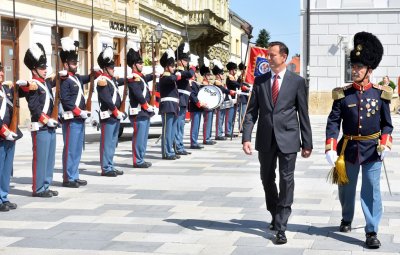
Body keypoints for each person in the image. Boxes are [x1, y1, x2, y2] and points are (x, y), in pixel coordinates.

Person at [325, 31, 392, 249]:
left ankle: (371, 230)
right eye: (353, 67)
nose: (354, 71)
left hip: (373, 148)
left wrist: (386, 142)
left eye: (359, 68)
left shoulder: (381, 94)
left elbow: (387, 124)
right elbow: (333, 122)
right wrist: (330, 147)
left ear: (369, 71)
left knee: (371, 189)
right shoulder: (342, 94)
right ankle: (346, 217)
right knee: (346, 187)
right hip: (349, 148)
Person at [242, 41, 313, 245]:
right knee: (266, 178)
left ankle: (281, 225)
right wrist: (246, 137)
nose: (269, 58)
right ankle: (274, 212)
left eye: (272, 55)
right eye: (268, 55)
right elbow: (251, 112)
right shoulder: (260, 81)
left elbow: (303, 113)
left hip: (289, 138)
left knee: (286, 179)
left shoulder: (297, 82)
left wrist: (307, 142)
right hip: (265, 138)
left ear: (284, 57)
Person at [23, 43, 59, 197]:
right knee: (40, 159)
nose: (45, 70)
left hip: (49, 126)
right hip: (40, 126)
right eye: (42, 68)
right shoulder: (33, 85)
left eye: (45, 67)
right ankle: (38, 188)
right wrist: (46, 120)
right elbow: (34, 108)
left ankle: (46, 185)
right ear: (34, 69)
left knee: (49, 159)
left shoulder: (45, 83)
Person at [59, 37, 90, 188]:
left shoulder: (76, 77)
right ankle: (68, 178)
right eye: (73, 63)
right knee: (70, 149)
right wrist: (79, 111)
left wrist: (94, 73)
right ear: (65, 64)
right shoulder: (64, 79)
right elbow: (66, 100)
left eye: (76, 63)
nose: (75, 65)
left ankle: (74, 174)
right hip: (71, 119)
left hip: (79, 119)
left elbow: (88, 78)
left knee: (77, 149)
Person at [96, 46, 124, 177]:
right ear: (105, 68)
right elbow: (106, 98)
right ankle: (106, 168)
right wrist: (115, 110)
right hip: (108, 115)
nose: (114, 69)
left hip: (114, 115)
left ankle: (110, 164)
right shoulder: (102, 81)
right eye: (112, 67)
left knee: (113, 143)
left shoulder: (112, 80)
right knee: (107, 143)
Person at [126, 42, 155, 168]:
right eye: (139, 63)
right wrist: (145, 105)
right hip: (138, 111)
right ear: (133, 65)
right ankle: (137, 160)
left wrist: (154, 74)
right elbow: (138, 93)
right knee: (139, 137)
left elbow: (145, 78)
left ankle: (141, 158)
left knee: (143, 137)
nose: (142, 65)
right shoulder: (132, 77)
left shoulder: (140, 76)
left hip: (144, 112)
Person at [0, 62, 22, 211]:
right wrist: (4, 131)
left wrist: (24, 85)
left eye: (1, 70)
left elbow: (24, 94)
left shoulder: (5, 89)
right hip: (2, 134)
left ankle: (4, 196)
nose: (2, 73)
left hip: (10, 134)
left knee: (6, 170)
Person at [159, 48, 181, 160]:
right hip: (167, 106)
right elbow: (171, 79)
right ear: (167, 67)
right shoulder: (164, 77)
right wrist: (177, 76)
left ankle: (170, 150)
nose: (174, 68)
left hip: (173, 106)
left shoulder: (170, 77)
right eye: (172, 66)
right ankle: (166, 152)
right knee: (167, 131)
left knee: (172, 131)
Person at [174, 42, 195, 155]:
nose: (187, 62)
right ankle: (177, 145)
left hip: (183, 101)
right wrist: (192, 68)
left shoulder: (183, 71)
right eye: (185, 60)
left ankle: (180, 145)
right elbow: (189, 74)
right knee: (178, 125)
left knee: (181, 125)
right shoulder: (178, 71)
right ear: (180, 60)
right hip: (179, 100)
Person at [213, 59, 235, 141]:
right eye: (222, 73)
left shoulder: (220, 82)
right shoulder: (217, 82)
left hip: (222, 102)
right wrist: (230, 91)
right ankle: (218, 134)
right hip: (219, 102)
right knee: (220, 118)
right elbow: (223, 90)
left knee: (221, 118)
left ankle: (220, 133)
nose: (223, 75)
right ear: (218, 75)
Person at [188, 54, 206, 149]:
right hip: (194, 106)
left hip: (198, 106)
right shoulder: (190, 81)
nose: (196, 73)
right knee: (194, 125)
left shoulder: (195, 81)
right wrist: (198, 103)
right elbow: (192, 94)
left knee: (197, 124)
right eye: (195, 71)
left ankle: (195, 141)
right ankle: (193, 142)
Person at [201, 57, 216, 145]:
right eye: (208, 75)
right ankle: (206, 138)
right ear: (205, 75)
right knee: (207, 122)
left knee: (209, 122)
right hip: (206, 104)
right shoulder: (204, 83)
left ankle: (208, 137)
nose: (210, 76)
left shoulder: (208, 83)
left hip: (210, 104)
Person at [225, 60, 241, 138]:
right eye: (234, 70)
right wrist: (241, 84)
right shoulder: (229, 78)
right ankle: (228, 131)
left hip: (235, 98)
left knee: (233, 116)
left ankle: (230, 130)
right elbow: (236, 84)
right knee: (229, 116)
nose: (235, 71)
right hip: (230, 98)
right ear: (231, 70)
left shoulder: (234, 78)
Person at [237, 62, 250, 132]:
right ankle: (241, 127)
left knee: (246, 113)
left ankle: (244, 126)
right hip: (242, 97)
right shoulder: (240, 77)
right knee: (242, 113)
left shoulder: (247, 77)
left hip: (248, 97)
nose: (244, 71)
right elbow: (238, 86)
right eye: (243, 70)